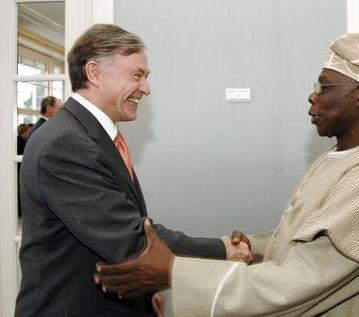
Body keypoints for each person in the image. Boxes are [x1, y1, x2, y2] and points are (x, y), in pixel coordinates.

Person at [95, 33, 359, 317]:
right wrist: (254, 247)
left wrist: (173, 271)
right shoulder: (343, 158)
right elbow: (312, 238)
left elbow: (299, 281)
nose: (313, 95)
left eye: (325, 85)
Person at [15, 24, 251, 317]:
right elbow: (132, 239)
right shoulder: (66, 143)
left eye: (146, 77)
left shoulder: (89, 135)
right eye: (137, 75)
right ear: (94, 73)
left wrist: (143, 296)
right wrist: (223, 250)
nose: (146, 88)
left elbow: (112, 228)